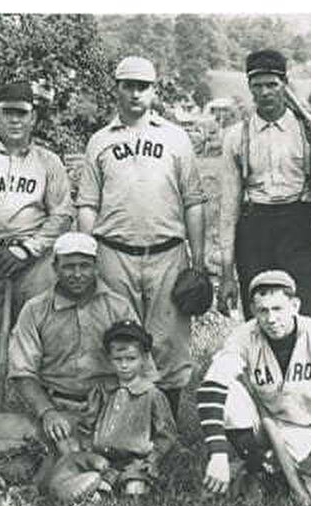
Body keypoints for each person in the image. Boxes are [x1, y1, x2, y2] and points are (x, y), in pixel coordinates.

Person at [76, 56, 207, 420]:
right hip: (114, 253)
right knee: (118, 340)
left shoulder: (175, 138)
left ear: (154, 90)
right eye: (128, 85)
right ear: (115, 88)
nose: (135, 93)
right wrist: (86, 258)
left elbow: (194, 202)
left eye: (143, 86)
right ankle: (120, 427)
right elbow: (87, 203)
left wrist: (199, 261)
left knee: (169, 344)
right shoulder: (99, 141)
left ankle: (166, 429)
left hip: (167, 253)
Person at [0, 81, 73, 454]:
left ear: (34, 116)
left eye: (22, 112)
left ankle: (52, 429)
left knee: (45, 338)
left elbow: (63, 213)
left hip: (35, 260)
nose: (15, 119)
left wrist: (28, 249)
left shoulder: (48, 162)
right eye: (8, 111)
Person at [197, 270, 311, 505]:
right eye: (263, 310)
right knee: (229, 393)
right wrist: (218, 454)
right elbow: (210, 388)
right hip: (258, 424)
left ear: (295, 306)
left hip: (303, 426)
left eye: (278, 309)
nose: (271, 319)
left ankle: (268, 467)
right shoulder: (243, 336)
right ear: (253, 310)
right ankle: (256, 468)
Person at [217, 49, 311, 323]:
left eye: (272, 85)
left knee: (308, 316)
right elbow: (228, 210)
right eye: (257, 85)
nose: (265, 93)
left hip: (300, 224)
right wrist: (226, 273)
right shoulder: (236, 137)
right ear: (249, 87)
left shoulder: (309, 130)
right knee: (260, 318)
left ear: (285, 85)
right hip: (254, 230)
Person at [7, 232, 158, 457]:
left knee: (120, 456)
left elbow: (143, 369)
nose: (77, 274)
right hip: (58, 406)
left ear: (96, 267)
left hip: (111, 405)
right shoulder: (35, 310)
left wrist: (134, 413)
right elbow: (22, 372)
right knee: (16, 451)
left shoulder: (118, 307)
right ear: (55, 267)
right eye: (69, 267)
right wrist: (47, 412)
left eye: (84, 266)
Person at [80, 320, 177, 496]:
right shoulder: (102, 390)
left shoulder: (152, 394)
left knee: (134, 489)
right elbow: (88, 422)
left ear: (144, 359)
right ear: (109, 359)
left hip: (136, 461)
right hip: (102, 459)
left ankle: (131, 489)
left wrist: (152, 459)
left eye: (131, 359)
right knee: (92, 489)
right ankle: (101, 492)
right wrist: (87, 450)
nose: (124, 365)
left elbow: (167, 434)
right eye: (118, 359)